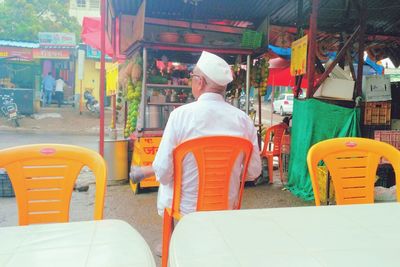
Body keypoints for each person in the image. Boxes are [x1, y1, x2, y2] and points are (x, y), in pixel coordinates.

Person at [131, 51, 262, 217]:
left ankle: (172, 238)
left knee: (166, 179)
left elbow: (163, 173)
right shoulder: (244, 120)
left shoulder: (180, 116)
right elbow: (253, 172)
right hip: (226, 207)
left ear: (199, 82)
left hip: (186, 210)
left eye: (192, 76)